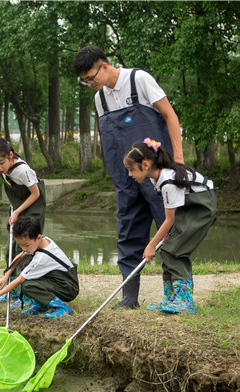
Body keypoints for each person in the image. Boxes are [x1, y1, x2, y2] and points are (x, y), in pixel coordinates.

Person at [73, 45, 184, 309]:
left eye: (91, 77)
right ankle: (129, 297)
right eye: (85, 81)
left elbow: (169, 115)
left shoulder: (139, 80)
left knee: (171, 231)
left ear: (105, 66)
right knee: (129, 234)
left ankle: (178, 296)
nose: (90, 84)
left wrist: (178, 160)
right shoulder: (100, 99)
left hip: (157, 175)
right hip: (126, 179)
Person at [123, 139, 217, 313]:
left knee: (175, 250)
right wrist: (164, 238)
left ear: (145, 164)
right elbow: (172, 214)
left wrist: (151, 245)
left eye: (131, 169)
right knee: (166, 248)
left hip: (201, 207)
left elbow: (169, 220)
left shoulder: (168, 182)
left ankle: (185, 301)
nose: (130, 174)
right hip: (187, 207)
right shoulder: (157, 178)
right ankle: (171, 298)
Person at [0, 137, 46, 307]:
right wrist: (15, 210)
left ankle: (25, 293)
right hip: (18, 208)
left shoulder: (22, 171)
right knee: (10, 248)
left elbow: (36, 194)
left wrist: (18, 211)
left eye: (1, 163)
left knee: (25, 249)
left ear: (11, 155)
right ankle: (11, 290)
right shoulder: (5, 169)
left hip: (32, 209)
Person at [0, 215, 79, 318]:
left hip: (68, 287)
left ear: (38, 237)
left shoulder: (41, 258)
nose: (24, 248)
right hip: (58, 279)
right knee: (27, 271)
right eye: (21, 245)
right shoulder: (42, 240)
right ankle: (41, 305)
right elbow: (21, 255)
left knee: (28, 286)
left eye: (27, 245)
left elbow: (19, 281)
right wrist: (6, 275)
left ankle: (63, 308)